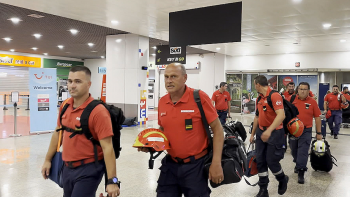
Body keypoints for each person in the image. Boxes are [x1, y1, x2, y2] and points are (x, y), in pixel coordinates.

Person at [139, 63, 224, 197]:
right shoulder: (162, 101)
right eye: (166, 77)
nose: (169, 81)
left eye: (173, 76)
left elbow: (218, 130)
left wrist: (216, 162)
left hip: (196, 167)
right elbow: (163, 129)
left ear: (185, 78)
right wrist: (152, 145)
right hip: (170, 165)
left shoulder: (199, 97)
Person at [41, 66, 120, 197]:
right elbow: (57, 133)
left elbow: (108, 148)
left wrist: (112, 181)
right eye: (70, 81)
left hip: (89, 169)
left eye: (78, 81)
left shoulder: (98, 111)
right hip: (66, 167)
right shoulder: (65, 105)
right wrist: (47, 160)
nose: (72, 85)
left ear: (89, 84)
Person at [250, 75, 289, 197]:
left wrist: (269, 130)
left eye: (254, 84)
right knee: (260, 161)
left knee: (271, 161)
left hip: (275, 133)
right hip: (261, 132)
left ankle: (282, 179)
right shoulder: (259, 99)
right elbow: (257, 117)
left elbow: (281, 115)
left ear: (257, 84)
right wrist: (252, 134)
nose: (254, 86)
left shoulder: (274, 95)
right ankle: (263, 189)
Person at [287, 82, 322, 184]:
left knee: (303, 150)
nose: (302, 91)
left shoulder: (312, 102)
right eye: (301, 89)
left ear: (308, 91)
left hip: (306, 130)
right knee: (294, 150)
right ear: (297, 90)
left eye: (305, 89)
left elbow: (317, 117)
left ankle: (301, 171)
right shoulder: (291, 99)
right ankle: (298, 163)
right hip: (293, 130)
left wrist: (319, 132)